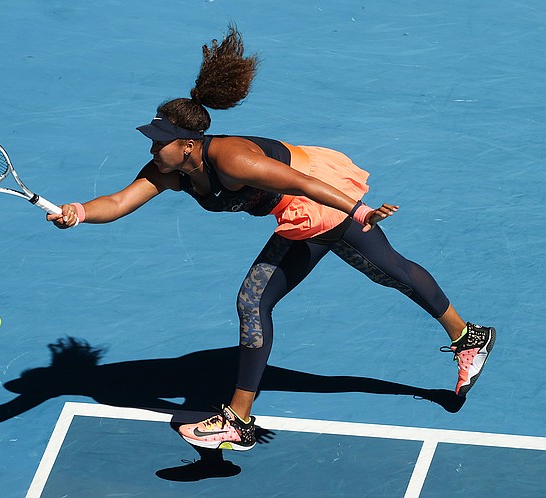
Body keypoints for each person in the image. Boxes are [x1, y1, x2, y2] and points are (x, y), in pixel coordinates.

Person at [46, 25, 495, 452]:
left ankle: (238, 421)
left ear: (186, 143)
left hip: (317, 196)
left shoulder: (233, 158)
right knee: (389, 268)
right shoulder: (170, 171)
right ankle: (469, 336)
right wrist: (79, 212)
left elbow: (301, 183)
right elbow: (120, 202)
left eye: (159, 141)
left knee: (255, 300)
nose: (151, 148)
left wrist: (357, 209)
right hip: (304, 201)